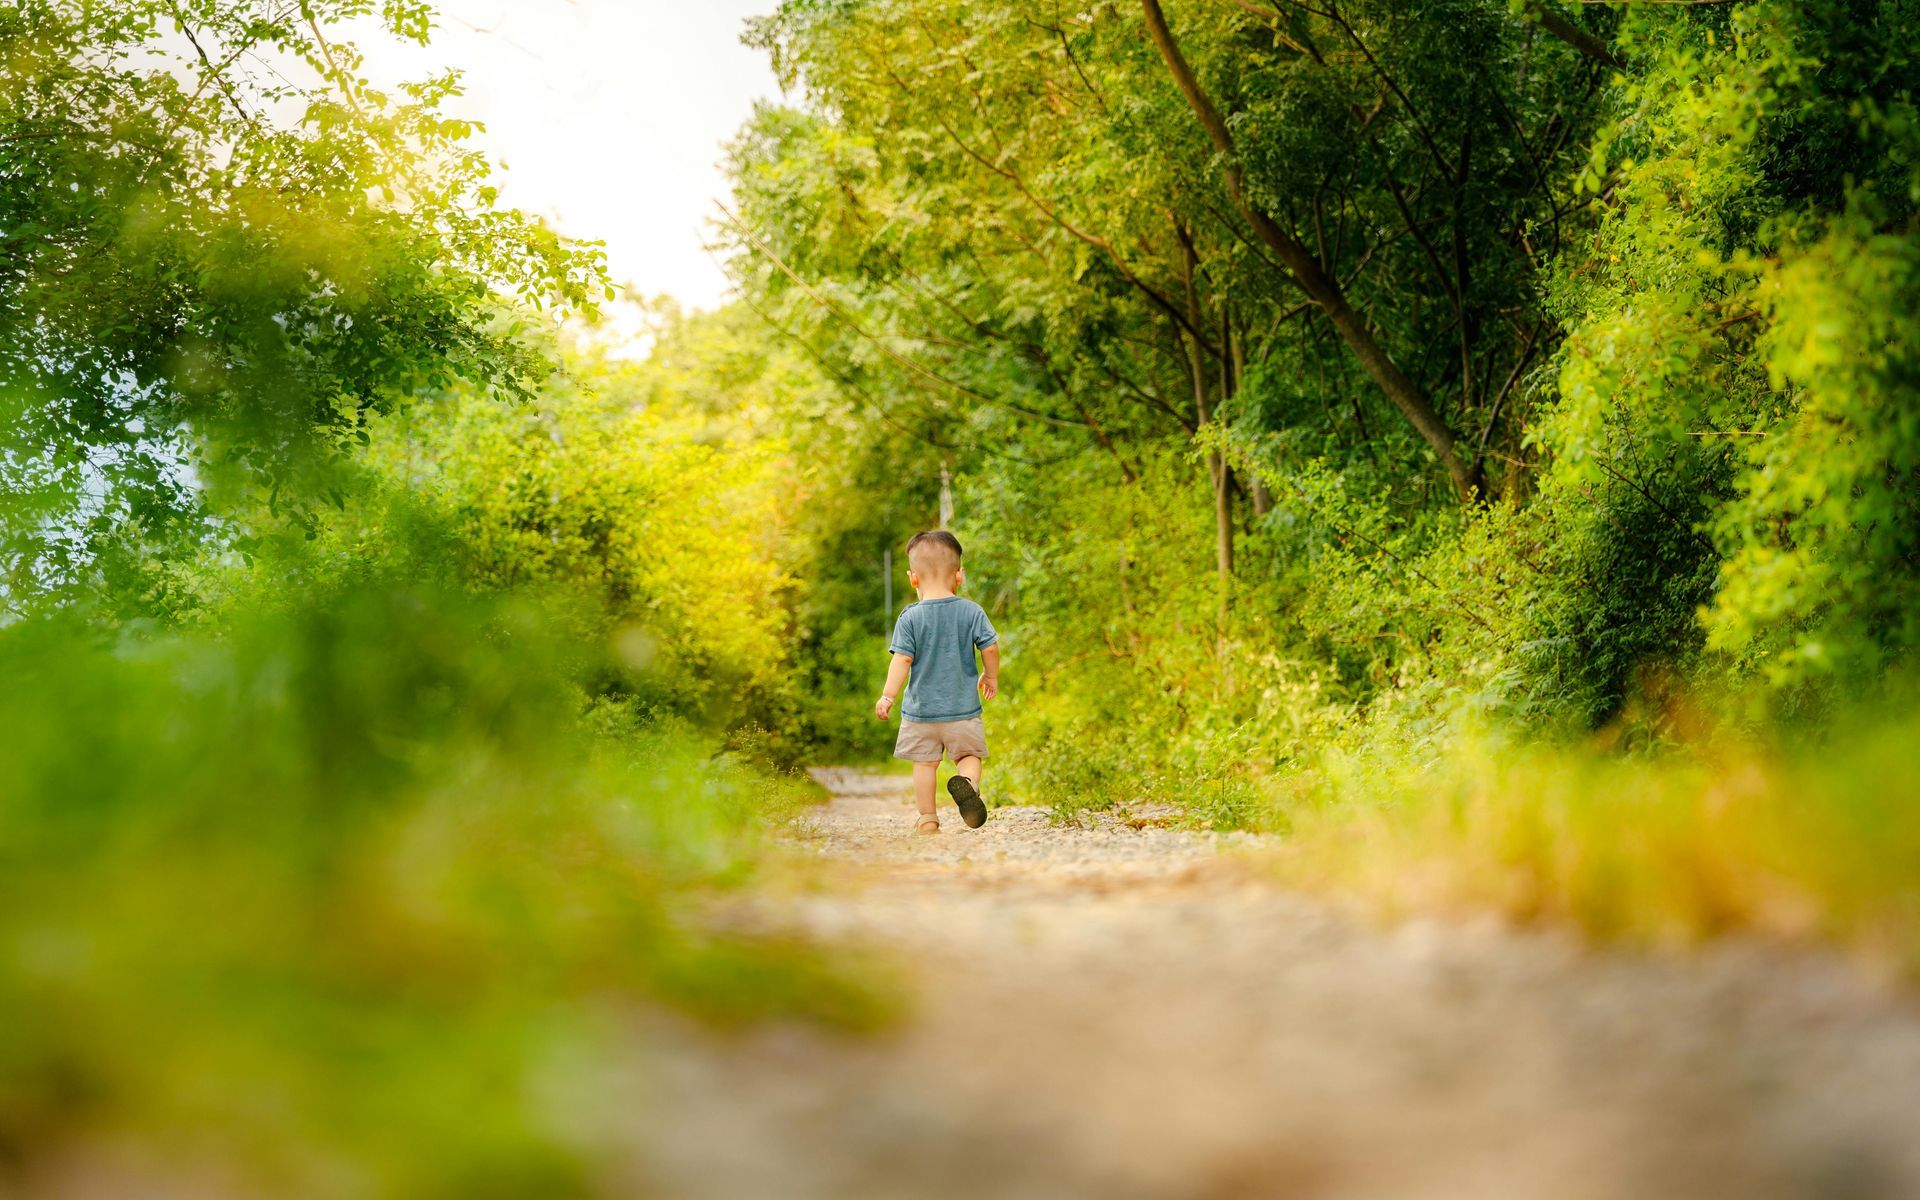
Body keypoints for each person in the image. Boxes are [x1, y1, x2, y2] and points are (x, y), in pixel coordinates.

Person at [873, 530, 1000, 834]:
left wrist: (888, 696)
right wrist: (990, 675)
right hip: (964, 711)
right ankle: (968, 783)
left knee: (924, 764)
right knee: (969, 756)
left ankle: (928, 817)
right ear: (960, 575)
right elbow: (990, 647)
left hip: (921, 713)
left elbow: (902, 660)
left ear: (912, 578)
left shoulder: (910, 618)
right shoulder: (972, 611)